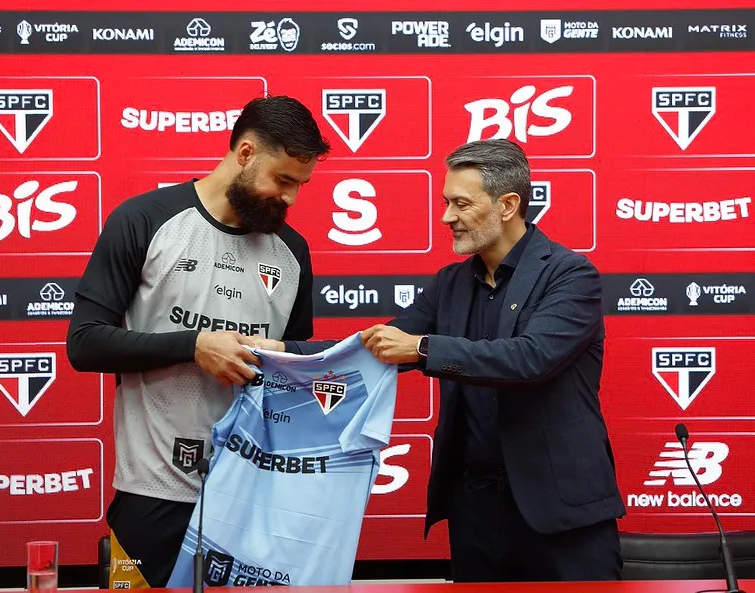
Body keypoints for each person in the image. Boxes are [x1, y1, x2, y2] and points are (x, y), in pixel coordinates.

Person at [254, 139, 626, 582]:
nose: (447, 216)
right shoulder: (451, 282)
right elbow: (378, 345)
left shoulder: (569, 275)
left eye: (461, 203)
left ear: (508, 205)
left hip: (562, 514)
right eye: (447, 202)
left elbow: (532, 359)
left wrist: (425, 348)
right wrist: (278, 351)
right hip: (474, 512)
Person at [66, 95, 331, 589]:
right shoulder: (145, 219)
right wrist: (193, 345)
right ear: (246, 154)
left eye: (301, 185)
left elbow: (292, 377)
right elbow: (84, 343)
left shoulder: (292, 251)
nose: (291, 198)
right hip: (153, 493)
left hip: (254, 495)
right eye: (284, 180)